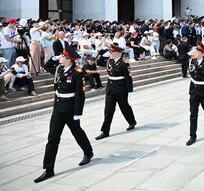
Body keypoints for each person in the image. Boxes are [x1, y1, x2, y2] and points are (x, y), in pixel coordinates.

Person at [34, 45, 94, 183]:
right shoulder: (59, 68)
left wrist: (78, 113)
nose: (60, 58)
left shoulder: (77, 73)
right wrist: (53, 58)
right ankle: (49, 169)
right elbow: (47, 66)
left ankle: (88, 152)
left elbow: (80, 95)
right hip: (58, 109)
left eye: (62, 56)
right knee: (52, 138)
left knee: (77, 132)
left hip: (70, 109)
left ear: (69, 59)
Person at [95, 45, 136, 140]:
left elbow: (128, 77)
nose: (110, 54)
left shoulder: (124, 63)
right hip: (110, 89)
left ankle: (132, 121)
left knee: (124, 107)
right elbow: (99, 62)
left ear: (118, 53)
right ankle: (105, 131)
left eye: (112, 52)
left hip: (121, 89)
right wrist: (101, 54)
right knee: (108, 110)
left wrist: (129, 90)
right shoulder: (110, 61)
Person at [186, 43, 204, 146]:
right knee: (193, 113)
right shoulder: (192, 60)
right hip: (194, 90)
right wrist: (189, 54)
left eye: (198, 52)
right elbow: (183, 59)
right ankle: (192, 135)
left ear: (202, 54)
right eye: (195, 51)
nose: (195, 53)